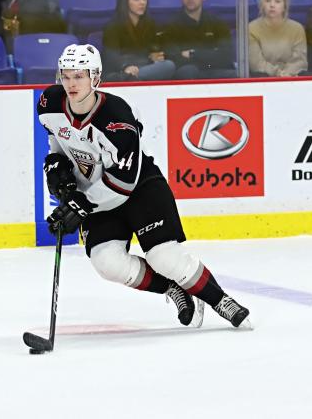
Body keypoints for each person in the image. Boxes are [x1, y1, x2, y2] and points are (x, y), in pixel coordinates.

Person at [36, 43, 250, 328]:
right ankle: (174, 289)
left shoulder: (117, 118)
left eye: (79, 75)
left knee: (163, 256)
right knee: (107, 263)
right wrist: (55, 163)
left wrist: (81, 204)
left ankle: (219, 299)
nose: (71, 83)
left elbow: (123, 184)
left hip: (139, 189)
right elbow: (59, 140)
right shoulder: (49, 103)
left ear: (95, 77)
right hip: (96, 195)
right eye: (66, 75)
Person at [102, 0, 176, 82]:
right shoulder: (113, 25)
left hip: (142, 67)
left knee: (168, 66)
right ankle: (128, 77)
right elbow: (111, 55)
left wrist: (154, 56)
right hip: (120, 69)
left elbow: (153, 49)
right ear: (125, 2)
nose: (142, 2)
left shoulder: (150, 24)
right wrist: (126, 66)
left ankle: (130, 78)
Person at [162, 0, 236, 79]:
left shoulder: (217, 23)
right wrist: (209, 55)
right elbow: (173, 58)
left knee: (236, 74)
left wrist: (193, 53)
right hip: (188, 74)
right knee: (189, 71)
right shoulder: (170, 25)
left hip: (213, 70)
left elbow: (226, 56)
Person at [249, 0, 308, 77]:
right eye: (267, 1)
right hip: (263, 79)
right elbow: (256, 63)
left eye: (277, 1)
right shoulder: (251, 28)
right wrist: (279, 74)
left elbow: (299, 61)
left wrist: (287, 74)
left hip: (292, 79)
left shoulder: (297, 29)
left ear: (284, 6)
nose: (272, 5)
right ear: (262, 5)